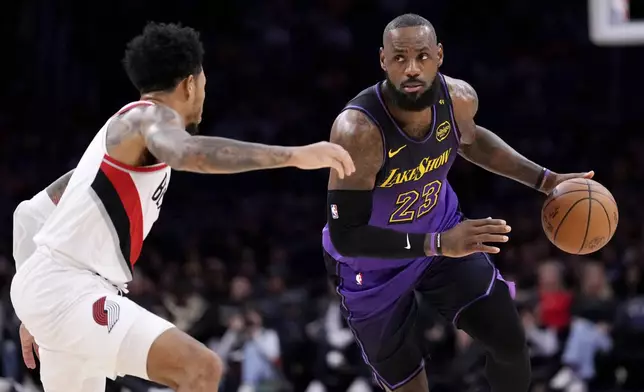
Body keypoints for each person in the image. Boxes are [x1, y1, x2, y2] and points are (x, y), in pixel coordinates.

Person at [11, 22, 355, 392]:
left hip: (56, 291)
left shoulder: (108, 150)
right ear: (190, 83)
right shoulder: (149, 117)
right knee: (201, 368)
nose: (204, 92)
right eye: (204, 83)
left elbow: (28, 214)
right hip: (69, 289)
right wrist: (295, 156)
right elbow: (187, 152)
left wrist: (32, 307)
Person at [322, 13, 592, 392]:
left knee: (510, 343)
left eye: (422, 56)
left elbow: (472, 140)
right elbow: (346, 235)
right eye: (399, 58)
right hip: (371, 264)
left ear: (440, 56)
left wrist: (546, 180)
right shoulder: (358, 131)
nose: (412, 69)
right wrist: (438, 244)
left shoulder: (459, 99)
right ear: (383, 60)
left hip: (441, 231)